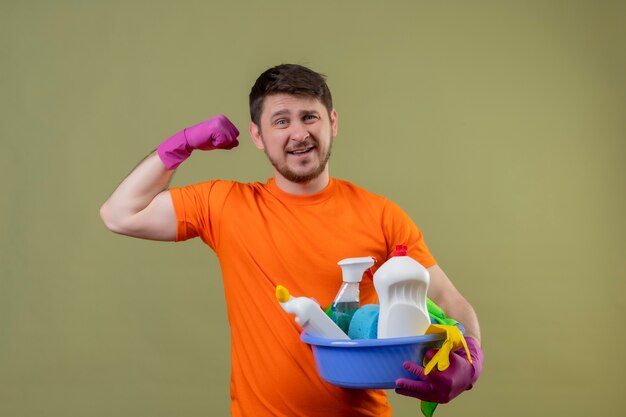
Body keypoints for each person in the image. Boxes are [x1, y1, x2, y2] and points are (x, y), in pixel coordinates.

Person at [100, 64, 483, 417]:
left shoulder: (381, 215)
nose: (298, 133)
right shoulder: (225, 205)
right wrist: (180, 145)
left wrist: (471, 360)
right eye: (280, 121)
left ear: (332, 121)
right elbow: (119, 214)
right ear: (257, 135)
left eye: (310, 117)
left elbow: (448, 300)